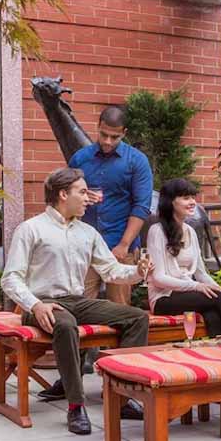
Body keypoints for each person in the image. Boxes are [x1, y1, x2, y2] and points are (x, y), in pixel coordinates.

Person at [1, 168, 152, 435]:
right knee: (66, 324)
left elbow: (111, 271)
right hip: (41, 303)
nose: (88, 198)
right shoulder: (31, 229)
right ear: (62, 194)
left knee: (137, 317)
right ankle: (75, 405)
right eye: (82, 192)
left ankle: (121, 397)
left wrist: (138, 272)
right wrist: (35, 304)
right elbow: (10, 278)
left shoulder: (88, 233)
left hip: (78, 300)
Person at [68, 105, 154, 305]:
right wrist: (79, 195)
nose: (107, 141)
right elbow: (64, 198)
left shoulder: (137, 161)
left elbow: (142, 206)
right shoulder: (80, 158)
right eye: (103, 134)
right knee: (80, 306)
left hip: (119, 244)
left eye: (114, 137)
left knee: (120, 310)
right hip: (84, 245)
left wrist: (124, 245)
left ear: (124, 133)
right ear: (98, 127)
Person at [147, 178, 221, 337]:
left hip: (187, 293)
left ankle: (215, 351)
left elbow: (201, 273)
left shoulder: (190, 231)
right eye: (186, 198)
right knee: (219, 299)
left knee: (213, 313)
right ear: (170, 202)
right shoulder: (157, 231)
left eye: (193, 197)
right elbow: (158, 278)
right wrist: (197, 287)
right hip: (163, 298)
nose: (193, 202)